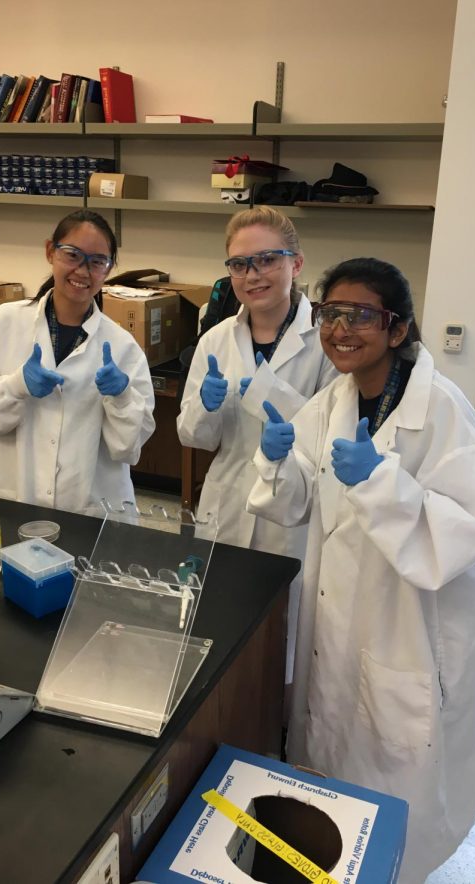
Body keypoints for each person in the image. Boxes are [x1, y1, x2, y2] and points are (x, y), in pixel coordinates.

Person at [247, 257, 475, 884]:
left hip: (402, 629)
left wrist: (383, 484)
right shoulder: (331, 400)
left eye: (361, 315)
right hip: (337, 621)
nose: (341, 329)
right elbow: (296, 500)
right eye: (331, 313)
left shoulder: (441, 411)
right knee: (330, 769)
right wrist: (278, 463)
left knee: (393, 793)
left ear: (398, 328)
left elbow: (471, 531)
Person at [177, 206, 338, 680]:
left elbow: (328, 436)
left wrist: (272, 396)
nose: (253, 274)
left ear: (296, 263)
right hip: (227, 504)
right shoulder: (216, 339)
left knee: (284, 645)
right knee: (221, 631)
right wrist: (206, 407)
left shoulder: (325, 339)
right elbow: (194, 437)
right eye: (240, 264)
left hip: (295, 514)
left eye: (267, 259)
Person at [0, 209, 155, 515]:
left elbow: (129, 448)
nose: (83, 271)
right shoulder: (1, 324)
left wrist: (122, 398)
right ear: (50, 252)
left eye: (97, 262)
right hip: (18, 500)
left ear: (107, 270)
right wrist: (15, 386)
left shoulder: (124, 347)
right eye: (72, 255)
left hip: (93, 510)